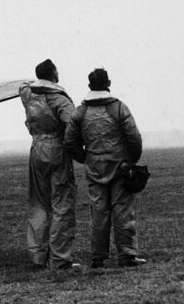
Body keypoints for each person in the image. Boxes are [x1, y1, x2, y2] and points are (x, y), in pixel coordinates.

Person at [65, 68, 147, 268]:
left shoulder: (80, 112)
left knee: (98, 212)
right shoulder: (119, 108)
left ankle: (98, 257)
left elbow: (69, 141)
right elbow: (134, 138)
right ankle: (127, 254)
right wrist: (131, 160)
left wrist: (85, 157)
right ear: (108, 83)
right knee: (122, 210)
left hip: (94, 168)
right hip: (120, 166)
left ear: (89, 86)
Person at [20, 59, 80, 271]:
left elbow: (23, 85)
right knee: (62, 203)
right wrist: (74, 148)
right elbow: (73, 123)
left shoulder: (28, 94)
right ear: (54, 75)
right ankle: (59, 258)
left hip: (36, 149)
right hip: (56, 148)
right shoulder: (58, 98)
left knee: (38, 203)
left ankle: (38, 255)